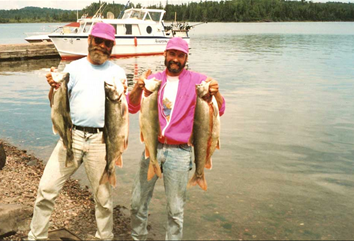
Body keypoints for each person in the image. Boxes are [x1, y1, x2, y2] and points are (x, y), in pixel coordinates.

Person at [28, 22, 127, 240]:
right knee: (46, 190)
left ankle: (104, 237)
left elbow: (122, 112)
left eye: (107, 43)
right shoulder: (73, 68)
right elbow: (55, 103)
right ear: (89, 40)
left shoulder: (117, 72)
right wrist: (53, 88)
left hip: (102, 141)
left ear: (112, 46)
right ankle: (36, 237)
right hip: (70, 136)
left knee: (103, 199)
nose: (101, 46)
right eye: (98, 40)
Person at [128, 37, 226, 240]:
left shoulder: (198, 80)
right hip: (152, 147)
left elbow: (221, 108)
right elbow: (131, 106)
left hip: (180, 153)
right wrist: (138, 87)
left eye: (180, 56)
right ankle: (137, 237)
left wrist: (215, 93)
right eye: (172, 54)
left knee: (175, 211)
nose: (175, 59)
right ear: (165, 55)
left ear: (186, 58)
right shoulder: (153, 80)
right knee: (137, 202)